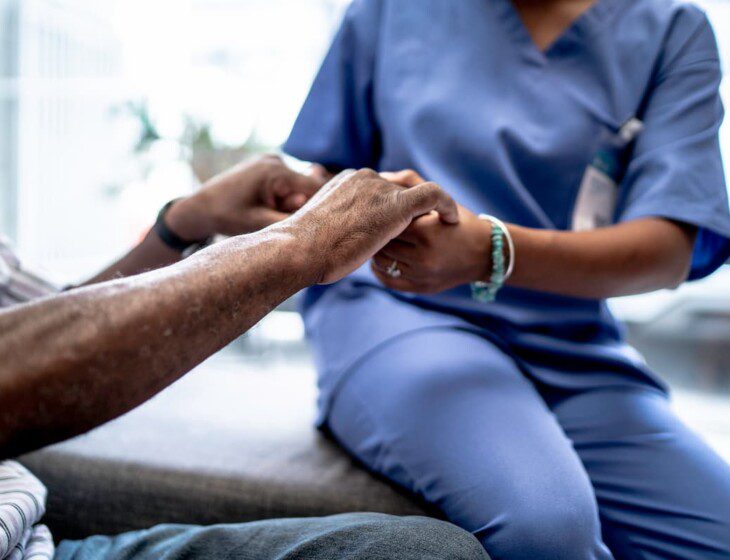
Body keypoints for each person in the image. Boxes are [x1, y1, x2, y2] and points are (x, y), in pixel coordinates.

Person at [283, 0, 730, 559]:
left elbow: (668, 248)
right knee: (546, 529)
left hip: (570, 346)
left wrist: (490, 251)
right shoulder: (390, 11)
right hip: (399, 313)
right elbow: (324, 183)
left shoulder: (669, 30)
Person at [0, 155, 489, 560]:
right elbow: (27, 368)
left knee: (427, 553)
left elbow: (46, 330)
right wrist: (296, 246)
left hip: (36, 546)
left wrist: (181, 224)